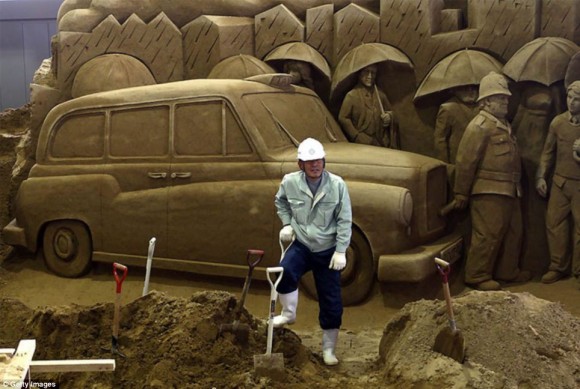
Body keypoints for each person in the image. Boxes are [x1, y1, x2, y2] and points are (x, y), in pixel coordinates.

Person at [272, 138, 352, 366]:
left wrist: (340, 250)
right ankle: (289, 313)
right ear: (301, 165)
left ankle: (329, 349)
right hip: (303, 245)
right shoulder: (290, 182)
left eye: (318, 160)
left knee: (331, 300)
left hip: (327, 250)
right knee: (284, 271)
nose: (315, 165)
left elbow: (345, 219)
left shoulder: (337, 185)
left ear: (324, 161)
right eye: (309, 162)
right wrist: (287, 224)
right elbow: (281, 202)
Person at [453, 71, 530, 291]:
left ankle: (507, 271)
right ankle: (477, 275)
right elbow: (466, 161)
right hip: (488, 190)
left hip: (510, 189)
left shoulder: (503, 124)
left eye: (506, 97)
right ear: (486, 102)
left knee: (513, 232)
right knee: (488, 235)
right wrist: (461, 192)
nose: (506, 101)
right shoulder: (479, 126)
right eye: (501, 97)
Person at [535, 81, 580, 284]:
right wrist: (541, 176)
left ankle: (578, 270)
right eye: (570, 97)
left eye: (577, 99)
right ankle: (558, 266)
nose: (572, 102)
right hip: (560, 183)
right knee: (555, 224)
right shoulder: (558, 123)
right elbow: (547, 153)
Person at [338, 64, 397, 148]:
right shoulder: (351, 95)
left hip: (380, 142)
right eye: (366, 72)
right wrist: (356, 135)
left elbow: (391, 112)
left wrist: (389, 117)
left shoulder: (380, 95)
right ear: (359, 74)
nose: (370, 76)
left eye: (373, 73)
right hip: (361, 143)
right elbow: (343, 118)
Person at [433, 85, 479, 165]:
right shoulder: (448, 108)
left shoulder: (482, 106)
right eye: (464, 88)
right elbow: (440, 139)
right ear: (455, 89)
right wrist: (446, 166)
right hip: (458, 161)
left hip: (480, 160)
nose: (470, 91)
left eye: (473, 87)